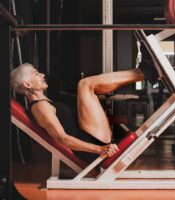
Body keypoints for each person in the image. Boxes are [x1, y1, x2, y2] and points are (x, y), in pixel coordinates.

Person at [10, 54, 156, 162]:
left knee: (87, 85)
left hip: (91, 137)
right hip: (92, 146)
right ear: (28, 85)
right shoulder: (40, 107)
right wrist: (100, 149)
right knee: (85, 84)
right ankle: (145, 72)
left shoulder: (43, 102)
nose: (42, 75)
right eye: (36, 73)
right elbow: (62, 139)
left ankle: (144, 72)